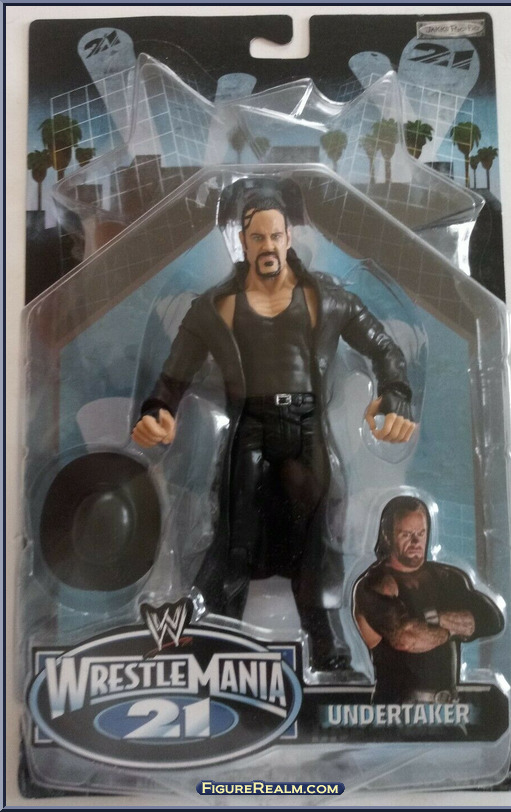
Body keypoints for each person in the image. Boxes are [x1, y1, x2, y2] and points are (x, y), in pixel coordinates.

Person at [132, 179, 416, 671]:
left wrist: (394, 396)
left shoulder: (325, 299)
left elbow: (385, 350)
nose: (267, 246)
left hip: (308, 429)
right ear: (242, 242)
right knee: (235, 536)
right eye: (257, 237)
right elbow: (173, 376)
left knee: (317, 538)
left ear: (289, 238)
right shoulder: (216, 307)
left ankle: (325, 643)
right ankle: (213, 638)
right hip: (250, 427)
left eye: (275, 235)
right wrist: (158, 412)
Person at [353, 496, 504, 701]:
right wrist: (454, 629)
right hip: (397, 709)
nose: (416, 542)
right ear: (388, 535)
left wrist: (432, 619)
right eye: (407, 534)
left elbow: (491, 620)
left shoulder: (448, 578)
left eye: (421, 533)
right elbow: (407, 639)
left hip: (449, 708)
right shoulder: (375, 584)